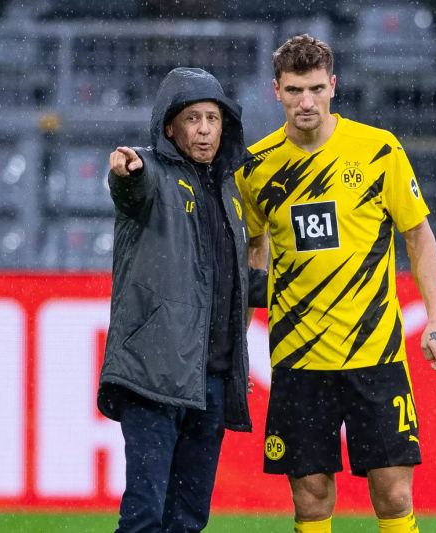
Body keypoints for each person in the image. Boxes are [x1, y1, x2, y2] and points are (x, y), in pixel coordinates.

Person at [235, 35, 436, 533]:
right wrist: (238, 344)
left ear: (333, 86)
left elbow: (418, 237)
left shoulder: (378, 150)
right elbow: (254, 255)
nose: (306, 101)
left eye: (315, 88)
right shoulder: (254, 168)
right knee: (311, 501)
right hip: (298, 359)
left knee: (394, 495)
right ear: (277, 91)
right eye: (294, 90)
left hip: (375, 354)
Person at [97, 66, 266, 533]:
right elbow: (131, 185)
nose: (205, 130)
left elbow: (226, 282)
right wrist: (125, 172)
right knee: (145, 516)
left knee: (188, 520)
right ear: (169, 127)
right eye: (193, 119)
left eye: (212, 118)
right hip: (154, 377)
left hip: (210, 379)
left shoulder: (230, 190)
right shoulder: (151, 173)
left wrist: (291, 286)